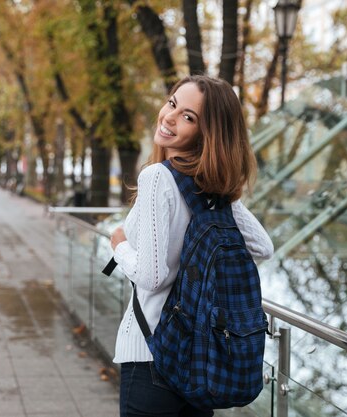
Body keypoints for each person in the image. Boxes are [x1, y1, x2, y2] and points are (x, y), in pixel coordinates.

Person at [109, 75, 274, 417]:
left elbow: (152, 277)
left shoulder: (157, 177)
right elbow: (262, 247)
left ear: (206, 134)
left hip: (151, 355)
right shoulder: (208, 189)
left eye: (188, 117)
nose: (169, 117)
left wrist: (119, 245)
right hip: (199, 362)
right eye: (172, 103)